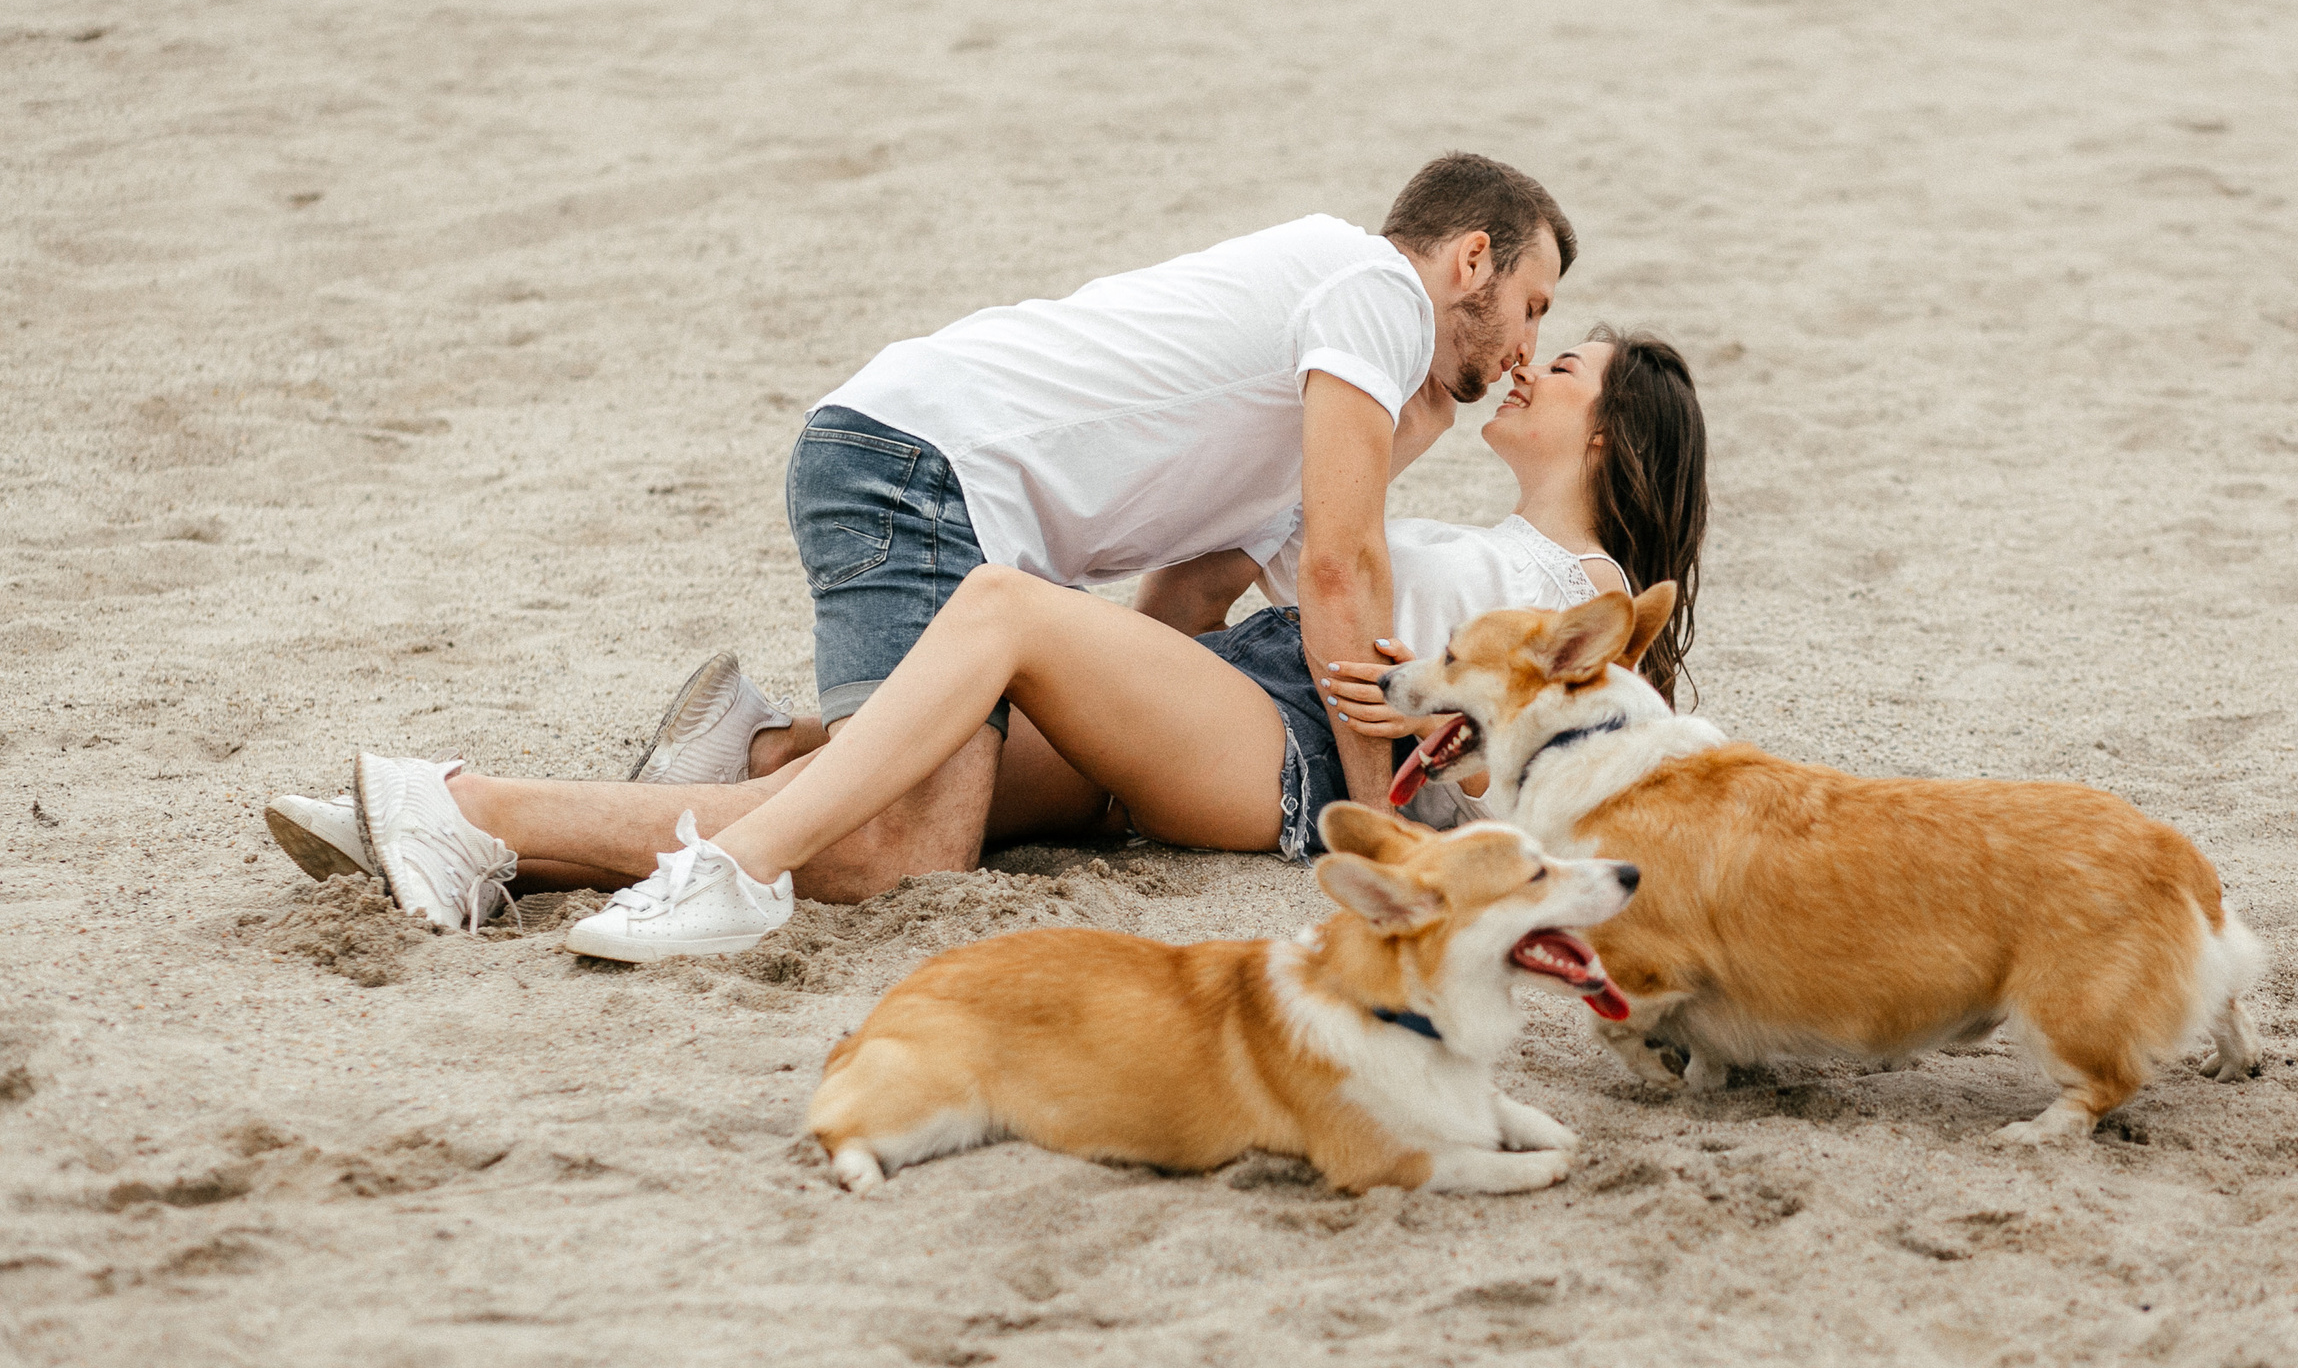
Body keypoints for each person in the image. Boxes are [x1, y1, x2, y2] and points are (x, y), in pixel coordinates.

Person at [298, 153, 1572, 929]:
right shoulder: (1372, 295)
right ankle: (464, 809)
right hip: (924, 480)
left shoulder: (1324, 375)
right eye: (1529, 305)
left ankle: (751, 749)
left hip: (919, 470)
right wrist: (1377, 824)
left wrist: (1119, 756)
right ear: (1468, 258)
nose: (1523, 346)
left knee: (898, 811)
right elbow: (1346, 572)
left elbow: (1191, 597)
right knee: (891, 854)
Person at [270, 330, 1712, 960]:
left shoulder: (1580, 578)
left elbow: (1612, 737)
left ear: (1614, 436)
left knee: (1007, 608)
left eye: (1565, 362)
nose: (1533, 359)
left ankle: (743, 777)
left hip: (1279, 757)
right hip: (1217, 706)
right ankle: (460, 815)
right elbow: (1207, 590)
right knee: (876, 833)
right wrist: (1114, 693)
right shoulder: (1453, 518)